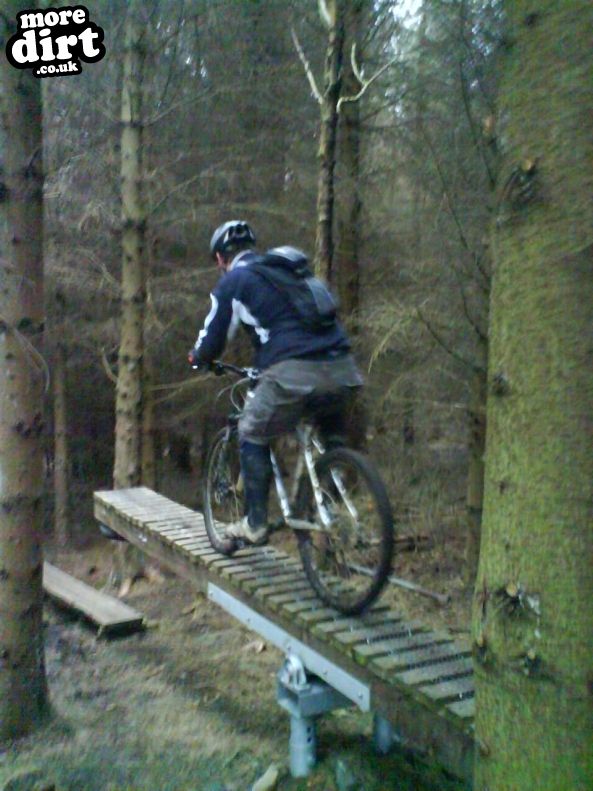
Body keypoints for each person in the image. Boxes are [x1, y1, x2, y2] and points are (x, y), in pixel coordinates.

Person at [188, 220, 363, 545]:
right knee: (329, 435)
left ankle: (255, 523)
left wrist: (198, 356)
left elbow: (213, 338)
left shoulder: (234, 282)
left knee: (251, 430)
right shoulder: (293, 278)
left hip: (292, 372)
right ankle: (335, 485)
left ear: (219, 260)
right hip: (344, 369)